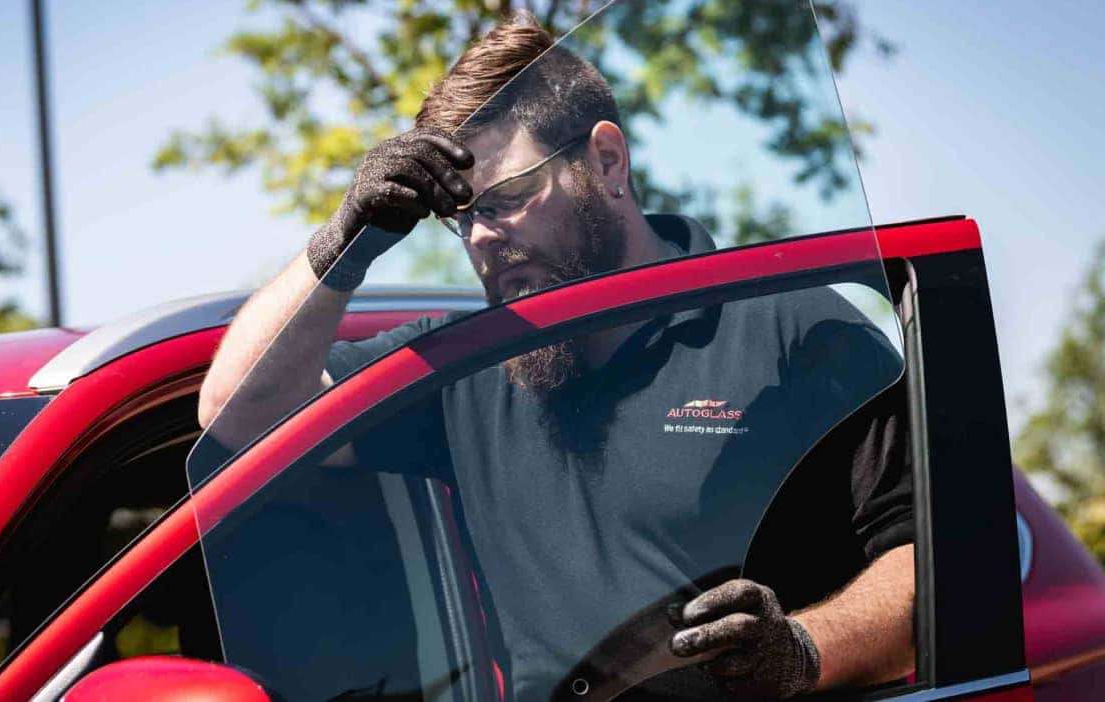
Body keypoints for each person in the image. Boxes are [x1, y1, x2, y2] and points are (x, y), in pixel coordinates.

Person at [199, 11, 915, 701]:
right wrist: (346, 242)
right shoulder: (465, 367)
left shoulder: (797, 329)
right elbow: (238, 416)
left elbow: (934, 566)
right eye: (461, 217)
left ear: (606, 161)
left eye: (505, 198)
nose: (480, 238)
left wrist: (799, 650)